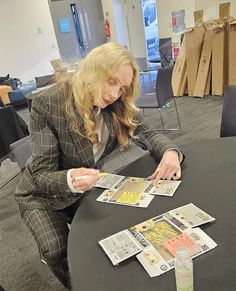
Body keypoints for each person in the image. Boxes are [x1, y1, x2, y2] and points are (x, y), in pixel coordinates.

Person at [15, 43, 183, 289]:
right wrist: (71, 178)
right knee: (56, 249)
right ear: (93, 70)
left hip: (84, 187)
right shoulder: (50, 104)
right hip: (42, 195)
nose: (115, 93)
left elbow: (147, 133)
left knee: (110, 233)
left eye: (122, 87)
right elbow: (41, 174)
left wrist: (169, 152)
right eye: (111, 81)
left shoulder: (115, 103)